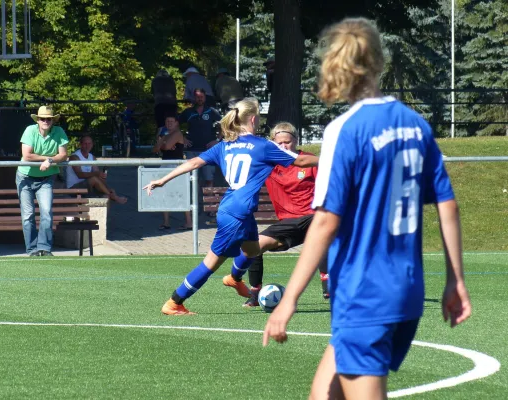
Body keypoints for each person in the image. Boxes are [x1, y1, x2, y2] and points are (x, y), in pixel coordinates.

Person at [262, 18, 472, 400]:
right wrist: (455, 280)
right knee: (323, 395)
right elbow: (447, 203)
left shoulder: (346, 130)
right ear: (379, 60)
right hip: (405, 289)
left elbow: (325, 221)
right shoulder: (415, 125)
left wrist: (288, 299)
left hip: (365, 291)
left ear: (334, 67)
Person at [142, 98, 319, 315]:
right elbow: (300, 161)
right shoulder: (262, 146)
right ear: (253, 119)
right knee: (211, 262)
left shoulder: (224, 146)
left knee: (253, 250)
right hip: (237, 214)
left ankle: (234, 278)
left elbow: (193, 162)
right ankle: (174, 302)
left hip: (234, 208)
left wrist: (163, 179)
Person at [228, 122, 329, 307]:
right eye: (280, 143)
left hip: (313, 218)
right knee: (253, 246)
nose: (284, 146)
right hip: (289, 226)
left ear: (296, 141)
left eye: (288, 142)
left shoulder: (309, 160)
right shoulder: (268, 164)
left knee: (320, 231)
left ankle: (329, 287)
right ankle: (255, 294)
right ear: (273, 143)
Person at [16, 105, 69, 257]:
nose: (46, 121)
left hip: (46, 179)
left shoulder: (59, 132)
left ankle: (44, 248)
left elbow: (63, 155)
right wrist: (48, 159)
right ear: (37, 120)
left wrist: (51, 160)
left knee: (46, 213)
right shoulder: (29, 130)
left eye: (49, 119)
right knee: (28, 215)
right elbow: (27, 155)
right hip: (25, 177)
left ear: (53, 121)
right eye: (43, 119)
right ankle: (32, 250)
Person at [151, 115, 192, 230]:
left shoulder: (177, 133)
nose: (169, 123)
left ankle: (189, 222)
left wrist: (162, 142)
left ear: (176, 123)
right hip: (165, 165)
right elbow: (155, 149)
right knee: (163, 192)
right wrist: (162, 143)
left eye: (171, 121)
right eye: (167, 121)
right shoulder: (166, 135)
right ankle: (166, 222)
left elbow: (166, 147)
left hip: (176, 165)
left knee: (181, 193)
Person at [179, 88, 222, 189]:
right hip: (191, 149)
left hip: (208, 151)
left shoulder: (211, 111)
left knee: (209, 179)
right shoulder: (188, 112)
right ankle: (195, 203)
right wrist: (182, 138)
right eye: (197, 97)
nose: (199, 99)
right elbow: (174, 124)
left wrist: (217, 140)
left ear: (205, 98)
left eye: (201, 97)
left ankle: (209, 202)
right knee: (192, 179)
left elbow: (224, 125)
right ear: (194, 98)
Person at [66, 135, 127, 204]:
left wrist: (107, 187)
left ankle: (110, 196)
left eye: (89, 144)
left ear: (92, 145)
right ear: (80, 144)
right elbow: (80, 175)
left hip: (88, 187)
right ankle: (115, 197)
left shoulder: (92, 157)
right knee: (94, 179)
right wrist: (97, 173)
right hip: (73, 188)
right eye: (85, 143)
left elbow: (98, 176)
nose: (87, 146)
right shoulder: (74, 157)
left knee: (106, 196)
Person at [152, 69, 178, 135]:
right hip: (172, 104)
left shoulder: (155, 80)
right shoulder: (171, 80)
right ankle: (171, 140)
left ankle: (160, 139)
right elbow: (175, 92)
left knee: (161, 124)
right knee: (171, 123)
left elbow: (152, 92)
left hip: (159, 103)